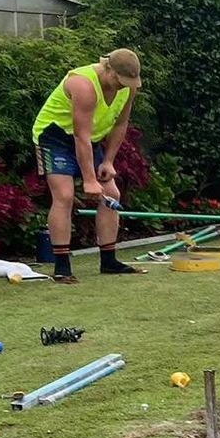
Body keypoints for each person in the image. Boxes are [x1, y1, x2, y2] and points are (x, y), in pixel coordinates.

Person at [32, 48, 144, 282]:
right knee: (64, 195)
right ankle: (62, 267)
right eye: (120, 80)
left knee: (111, 193)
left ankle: (109, 261)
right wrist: (90, 180)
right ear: (109, 69)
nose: (124, 85)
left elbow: (120, 124)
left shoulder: (128, 88)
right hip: (54, 137)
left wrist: (108, 161)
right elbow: (79, 136)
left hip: (89, 139)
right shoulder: (83, 84)